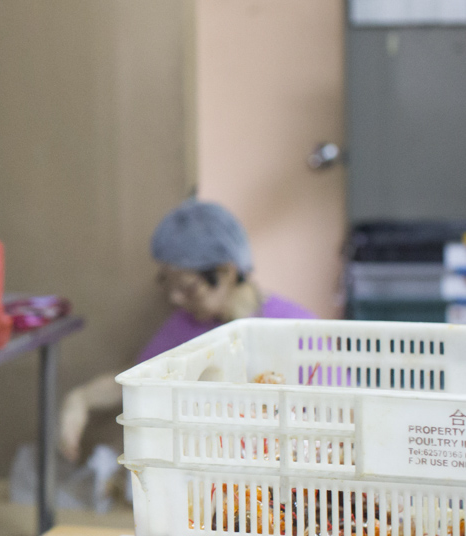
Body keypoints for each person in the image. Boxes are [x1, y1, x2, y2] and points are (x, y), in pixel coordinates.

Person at [59, 198, 315, 462]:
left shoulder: (294, 327)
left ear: (226, 272)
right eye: (168, 285)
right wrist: (80, 399)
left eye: (188, 287)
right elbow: (140, 379)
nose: (176, 299)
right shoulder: (187, 325)